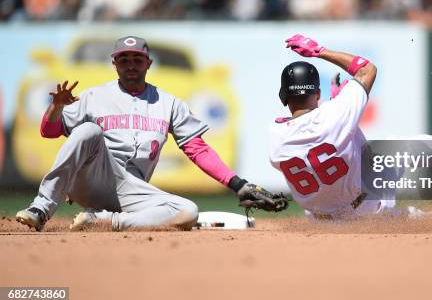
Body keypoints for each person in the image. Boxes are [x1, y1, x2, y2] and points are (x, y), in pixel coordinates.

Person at [17, 36, 286, 232]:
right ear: (114, 64)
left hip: (133, 191)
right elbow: (49, 131)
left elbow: (197, 148)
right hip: (92, 179)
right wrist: (56, 106)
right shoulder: (93, 96)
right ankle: (41, 208)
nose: (130, 65)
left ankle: (105, 221)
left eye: (137, 59)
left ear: (149, 63)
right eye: (124, 60)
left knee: (188, 211)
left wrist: (237, 184)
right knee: (87, 130)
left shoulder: (168, 103)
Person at [268, 34, 432, 219]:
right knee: (387, 148)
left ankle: (426, 219)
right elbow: (366, 69)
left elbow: (313, 142)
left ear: (283, 97)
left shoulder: (275, 138)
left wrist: (337, 105)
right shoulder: (335, 114)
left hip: (322, 221)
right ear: (318, 94)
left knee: (352, 149)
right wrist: (320, 51)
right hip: (364, 207)